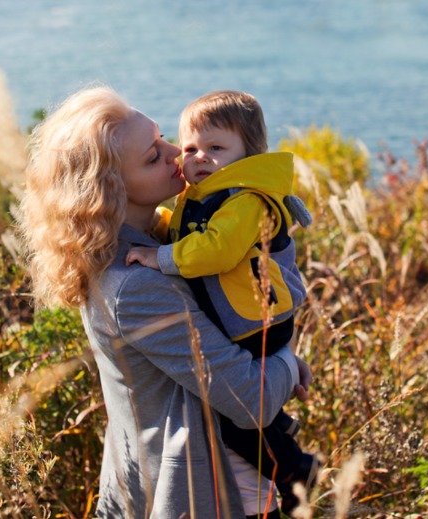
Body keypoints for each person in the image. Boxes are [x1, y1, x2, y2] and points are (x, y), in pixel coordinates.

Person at [18, 85, 311, 518]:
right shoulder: (135, 282)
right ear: (111, 188)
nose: (177, 152)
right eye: (153, 155)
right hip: (210, 494)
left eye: (161, 138)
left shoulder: (147, 244)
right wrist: (288, 361)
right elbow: (252, 399)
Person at [125, 90, 317, 515]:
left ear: (249, 154)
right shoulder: (203, 196)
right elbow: (182, 235)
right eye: (191, 147)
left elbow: (218, 250)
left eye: (216, 148)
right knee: (236, 408)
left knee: (235, 418)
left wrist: (159, 257)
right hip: (240, 317)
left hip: (256, 319)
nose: (197, 157)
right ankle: (281, 429)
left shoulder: (244, 199)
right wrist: (152, 231)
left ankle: (294, 469)